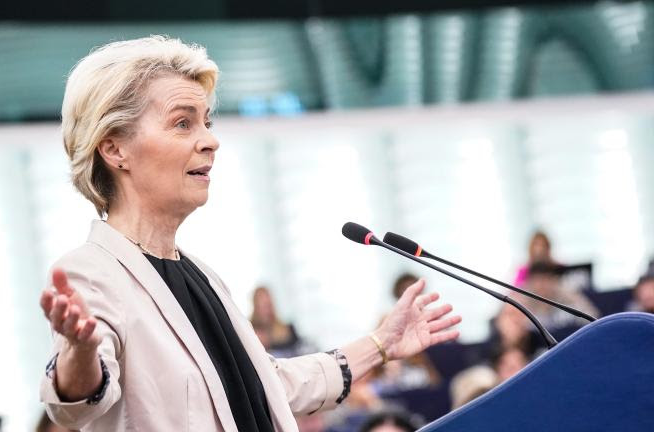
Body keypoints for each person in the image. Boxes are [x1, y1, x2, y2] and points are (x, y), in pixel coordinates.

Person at [38, 35, 461, 431]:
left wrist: (382, 342)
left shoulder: (201, 276)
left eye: (206, 121)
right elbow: (79, 400)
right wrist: (79, 353)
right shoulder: (91, 272)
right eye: (183, 124)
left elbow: (271, 384)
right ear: (114, 149)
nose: (210, 141)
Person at [250, 286, 314, 357]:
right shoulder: (251, 333)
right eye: (264, 306)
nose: (267, 311)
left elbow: (300, 350)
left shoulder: (287, 328)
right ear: (256, 306)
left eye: (268, 305)